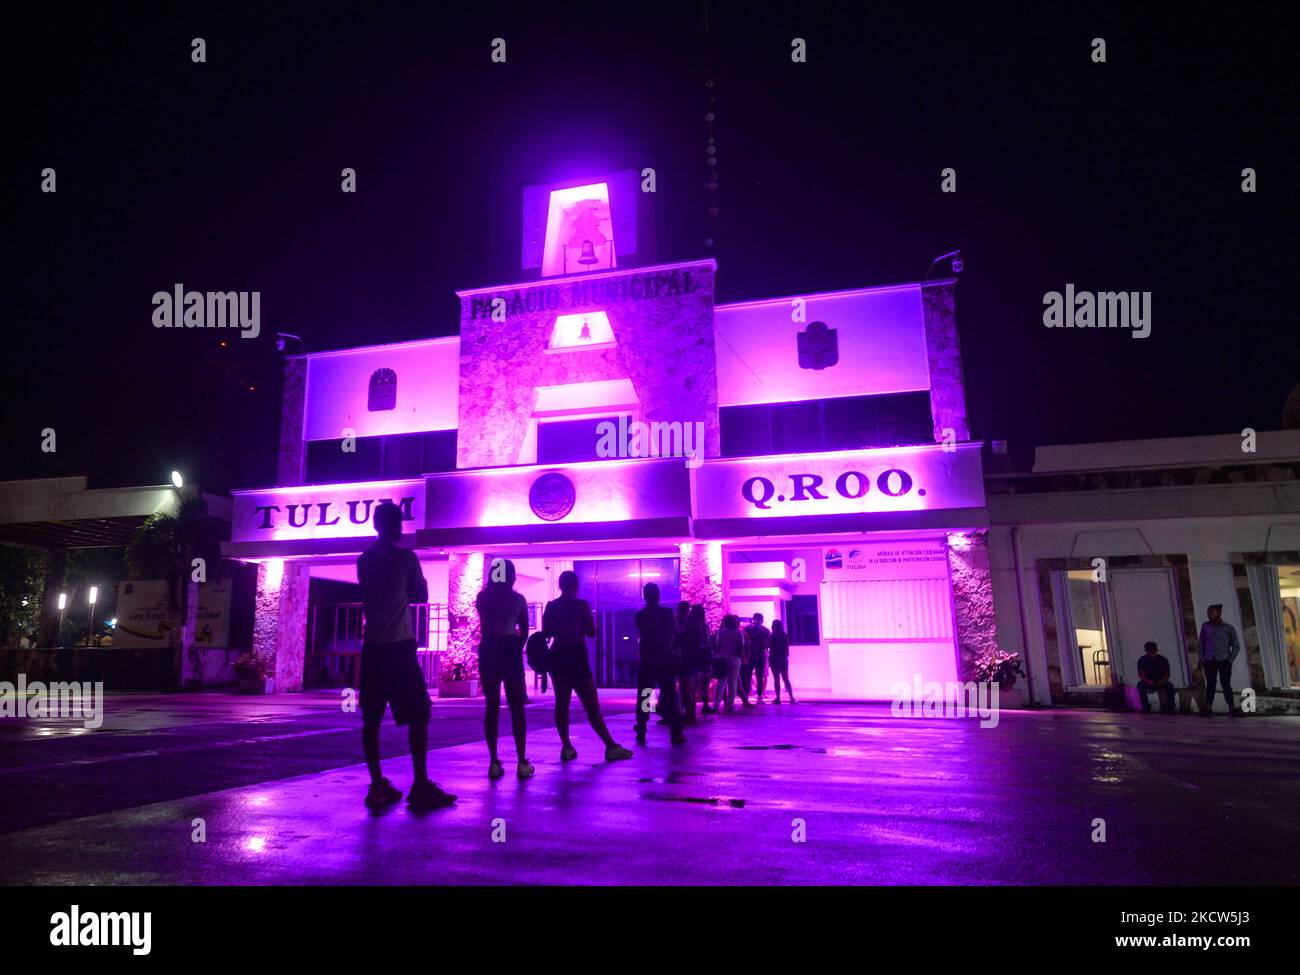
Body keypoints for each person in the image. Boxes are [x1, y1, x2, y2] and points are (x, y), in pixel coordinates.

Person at [356, 501, 456, 811]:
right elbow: (421, 595)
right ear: (397, 527)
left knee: (371, 719)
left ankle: (377, 784)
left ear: (375, 526)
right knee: (420, 714)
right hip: (399, 646)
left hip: (372, 648)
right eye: (399, 524)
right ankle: (420, 784)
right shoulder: (405, 558)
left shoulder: (364, 561)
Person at [542, 571, 633, 763]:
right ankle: (610, 745)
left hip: (558, 656)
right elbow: (591, 632)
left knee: (562, 704)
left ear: (560, 585)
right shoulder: (581, 606)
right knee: (591, 705)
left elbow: (546, 633)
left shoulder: (551, 607)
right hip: (577, 655)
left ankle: (566, 746)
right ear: (576, 586)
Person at [476, 558, 534, 778]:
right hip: (509, 648)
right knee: (517, 707)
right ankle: (521, 761)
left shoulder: (482, 598)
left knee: (491, 706)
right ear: (511, 576)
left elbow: (483, 622)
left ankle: (493, 761)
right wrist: (515, 647)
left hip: (488, 647)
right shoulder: (517, 599)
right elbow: (524, 631)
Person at [634, 582, 685, 745]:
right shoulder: (667, 613)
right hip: (665, 659)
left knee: (645, 695)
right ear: (658, 595)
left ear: (645, 596)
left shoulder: (640, 615)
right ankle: (675, 732)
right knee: (669, 695)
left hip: (647, 659)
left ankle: (641, 726)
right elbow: (675, 634)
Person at [1198, 604, 1240, 716]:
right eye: (1208, 612)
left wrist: (1230, 660)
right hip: (1209, 660)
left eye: (1211, 612)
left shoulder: (1228, 628)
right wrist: (1200, 658)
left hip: (1224, 660)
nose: (1209, 614)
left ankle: (1232, 708)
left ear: (1219, 613)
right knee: (1211, 684)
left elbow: (1236, 646)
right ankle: (1208, 708)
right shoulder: (1205, 626)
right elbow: (1201, 643)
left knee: (1226, 684)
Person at [678, 603, 710, 722]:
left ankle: (688, 715)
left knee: (686, 688)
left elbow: (680, 640)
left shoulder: (689, 626)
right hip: (698, 661)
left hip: (687, 659)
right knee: (692, 688)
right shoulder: (704, 627)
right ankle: (691, 715)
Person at [713, 614, 745, 713]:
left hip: (722, 659)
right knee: (733, 682)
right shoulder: (738, 633)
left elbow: (717, 646)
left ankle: (716, 704)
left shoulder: (720, 633)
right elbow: (741, 647)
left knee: (721, 682)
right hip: (735, 659)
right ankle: (730, 704)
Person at [1135, 640, 1175, 714]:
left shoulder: (1163, 660)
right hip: (1148, 682)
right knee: (1140, 685)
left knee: (1169, 686)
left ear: (1156, 651)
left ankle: (1171, 707)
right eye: (1149, 652)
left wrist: (1162, 681)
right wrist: (1147, 681)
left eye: (1153, 652)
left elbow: (1167, 674)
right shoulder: (1142, 660)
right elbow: (1141, 675)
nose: (1152, 655)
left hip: (1161, 681)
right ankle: (1145, 707)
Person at [741, 612, 771, 704]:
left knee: (747, 676)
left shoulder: (746, 629)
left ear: (753, 619)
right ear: (762, 620)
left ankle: (746, 696)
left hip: (749, 655)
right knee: (759, 676)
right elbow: (767, 644)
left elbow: (743, 643)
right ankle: (759, 697)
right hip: (760, 655)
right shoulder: (766, 630)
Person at [768, 618, 796, 704]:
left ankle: (778, 698)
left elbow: (767, 646)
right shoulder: (785, 636)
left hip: (774, 658)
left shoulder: (772, 636)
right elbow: (787, 647)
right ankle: (791, 698)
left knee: (777, 679)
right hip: (783, 659)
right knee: (786, 679)